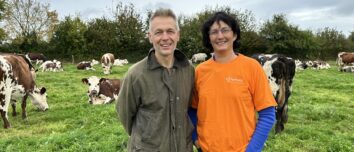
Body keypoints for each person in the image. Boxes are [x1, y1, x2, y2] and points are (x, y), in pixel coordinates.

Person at [189, 11, 277, 152]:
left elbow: (268, 115)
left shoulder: (252, 67)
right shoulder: (200, 71)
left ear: (235, 35)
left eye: (225, 30)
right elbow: (192, 110)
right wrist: (195, 138)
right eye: (214, 32)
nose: (220, 36)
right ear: (209, 38)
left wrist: (252, 150)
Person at [117, 8, 195, 152]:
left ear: (178, 35)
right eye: (158, 32)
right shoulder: (135, 75)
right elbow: (125, 115)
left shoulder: (188, 70)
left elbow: (188, 107)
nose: (165, 37)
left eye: (170, 31)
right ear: (150, 36)